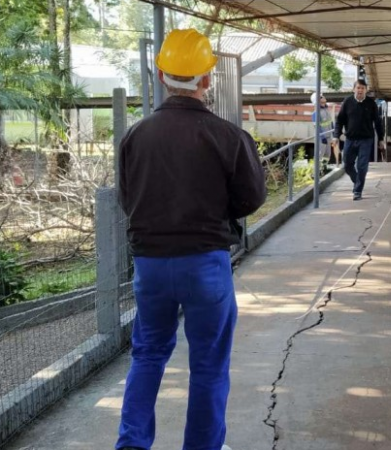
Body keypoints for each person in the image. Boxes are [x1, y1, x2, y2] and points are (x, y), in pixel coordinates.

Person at [116, 29, 266, 450]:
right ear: (206, 80)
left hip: (151, 264)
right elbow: (250, 198)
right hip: (205, 264)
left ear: (161, 74)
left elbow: (130, 198)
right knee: (208, 366)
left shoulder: (135, 136)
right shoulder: (227, 136)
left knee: (147, 354)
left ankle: (131, 444)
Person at [333, 79, 385, 200]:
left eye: (363, 88)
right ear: (354, 89)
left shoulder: (371, 104)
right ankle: (358, 181)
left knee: (362, 166)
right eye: (358, 88)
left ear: (366, 90)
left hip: (366, 139)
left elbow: (377, 122)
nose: (360, 90)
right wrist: (336, 136)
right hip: (350, 139)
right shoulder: (347, 102)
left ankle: (357, 191)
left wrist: (381, 139)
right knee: (347, 165)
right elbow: (340, 120)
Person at [311, 92, 339, 165]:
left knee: (327, 156)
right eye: (321, 97)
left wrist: (334, 133)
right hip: (321, 139)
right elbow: (317, 127)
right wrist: (322, 137)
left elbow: (330, 122)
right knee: (319, 156)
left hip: (328, 137)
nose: (323, 97)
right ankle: (316, 172)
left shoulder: (326, 109)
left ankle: (323, 169)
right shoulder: (315, 113)